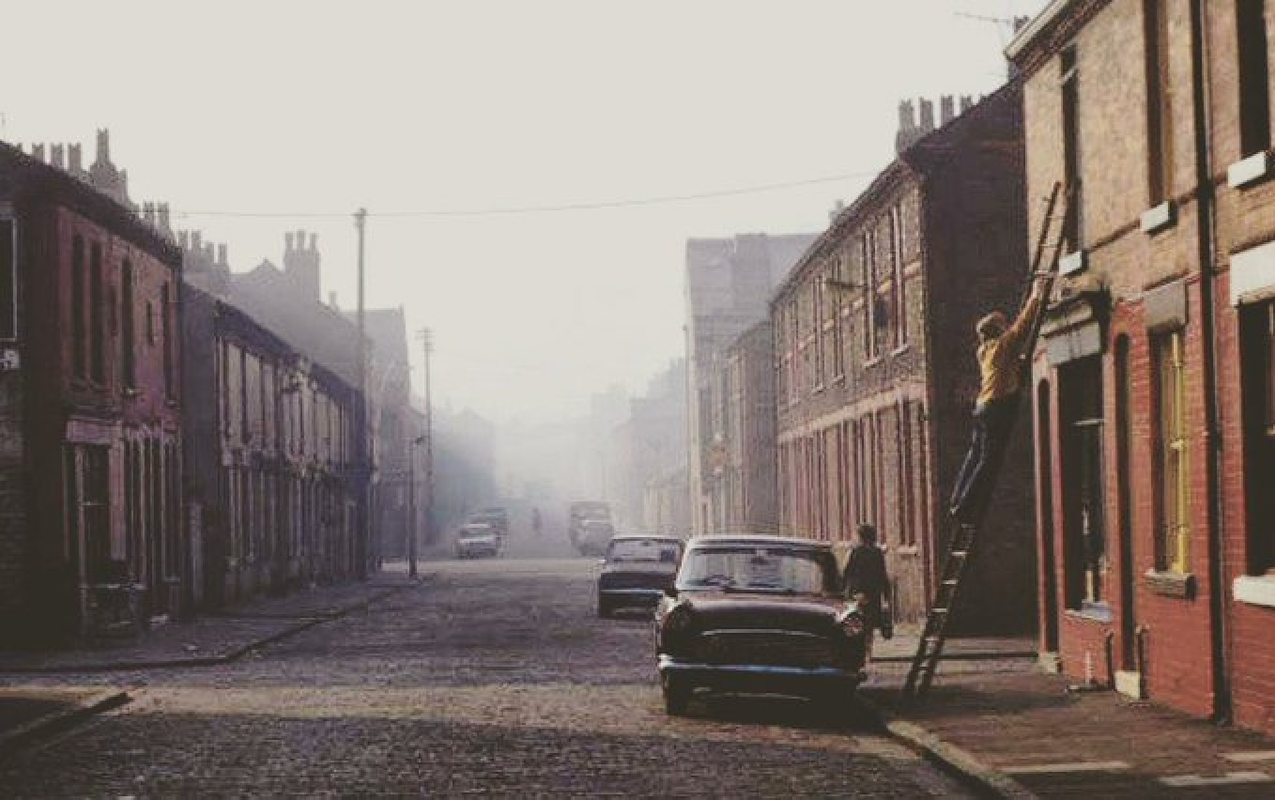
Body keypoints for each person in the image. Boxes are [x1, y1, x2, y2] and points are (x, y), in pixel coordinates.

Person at [948, 274, 1049, 523]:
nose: (1006, 328)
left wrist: (1017, 364)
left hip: (982, 405)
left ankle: (956, 499)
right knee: (986, 461)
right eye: (1003, 325)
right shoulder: (1002, 347)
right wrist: (1036, 295)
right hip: (996, 406)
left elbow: (1007, 364)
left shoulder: (984, 351)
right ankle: (965, 507)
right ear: (998, 330)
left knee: (973, 455)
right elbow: (1022, 326)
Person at [843, 524, 891, 649]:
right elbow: (882, 574)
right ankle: (868, 648)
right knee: (869, 623)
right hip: (873, 592)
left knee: (858, 619)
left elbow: (847, 572)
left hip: (858, 592)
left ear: (861, 537)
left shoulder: (856, 551)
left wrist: (843, 590)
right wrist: (886, 593)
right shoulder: (877, 552)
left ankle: (861, 647)